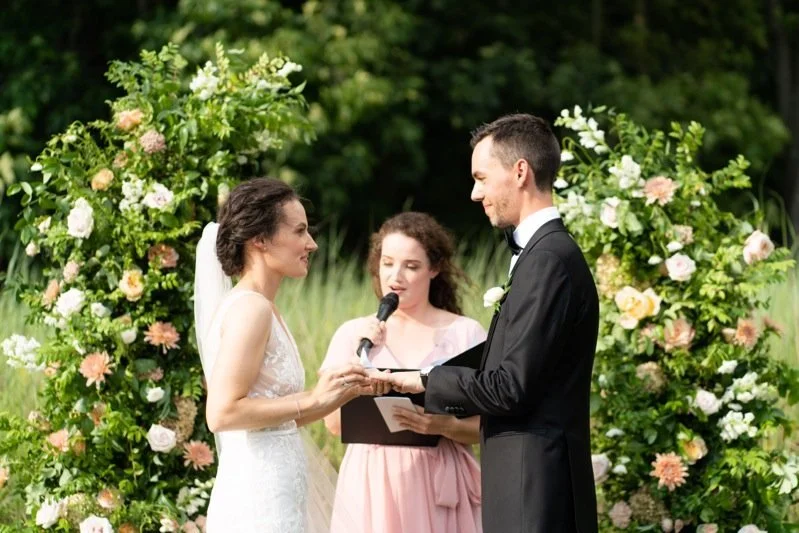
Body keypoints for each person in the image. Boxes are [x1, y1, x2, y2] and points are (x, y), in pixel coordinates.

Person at [379, 115, 600, 533]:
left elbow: (509, 386)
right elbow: (517, 356)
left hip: (535, 489)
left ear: (520, 172)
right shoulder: (542, 255)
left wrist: (429, 380)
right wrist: (415, 378)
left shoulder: (549, 260)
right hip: (526, 483)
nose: (474, 192)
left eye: (481, 177)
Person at [193, 177, 373, 533]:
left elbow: (279, 417)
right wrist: (313, 399)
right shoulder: (251, 310)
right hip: (258, 498)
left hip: (279, 490)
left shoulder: (267, 308)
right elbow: (222, 413)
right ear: (259, 239)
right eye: (300, 231)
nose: (312, 244)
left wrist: (343, 392)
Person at [321, 212, 486, 533]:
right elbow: (331, 421)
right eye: (387, 263)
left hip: (439, 480)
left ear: (434, 269)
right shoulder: (354, 334)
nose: (396, 276)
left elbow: (488, 425)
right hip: (372, 482)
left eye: (411, 266)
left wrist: (444, 425)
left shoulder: (467, 334)